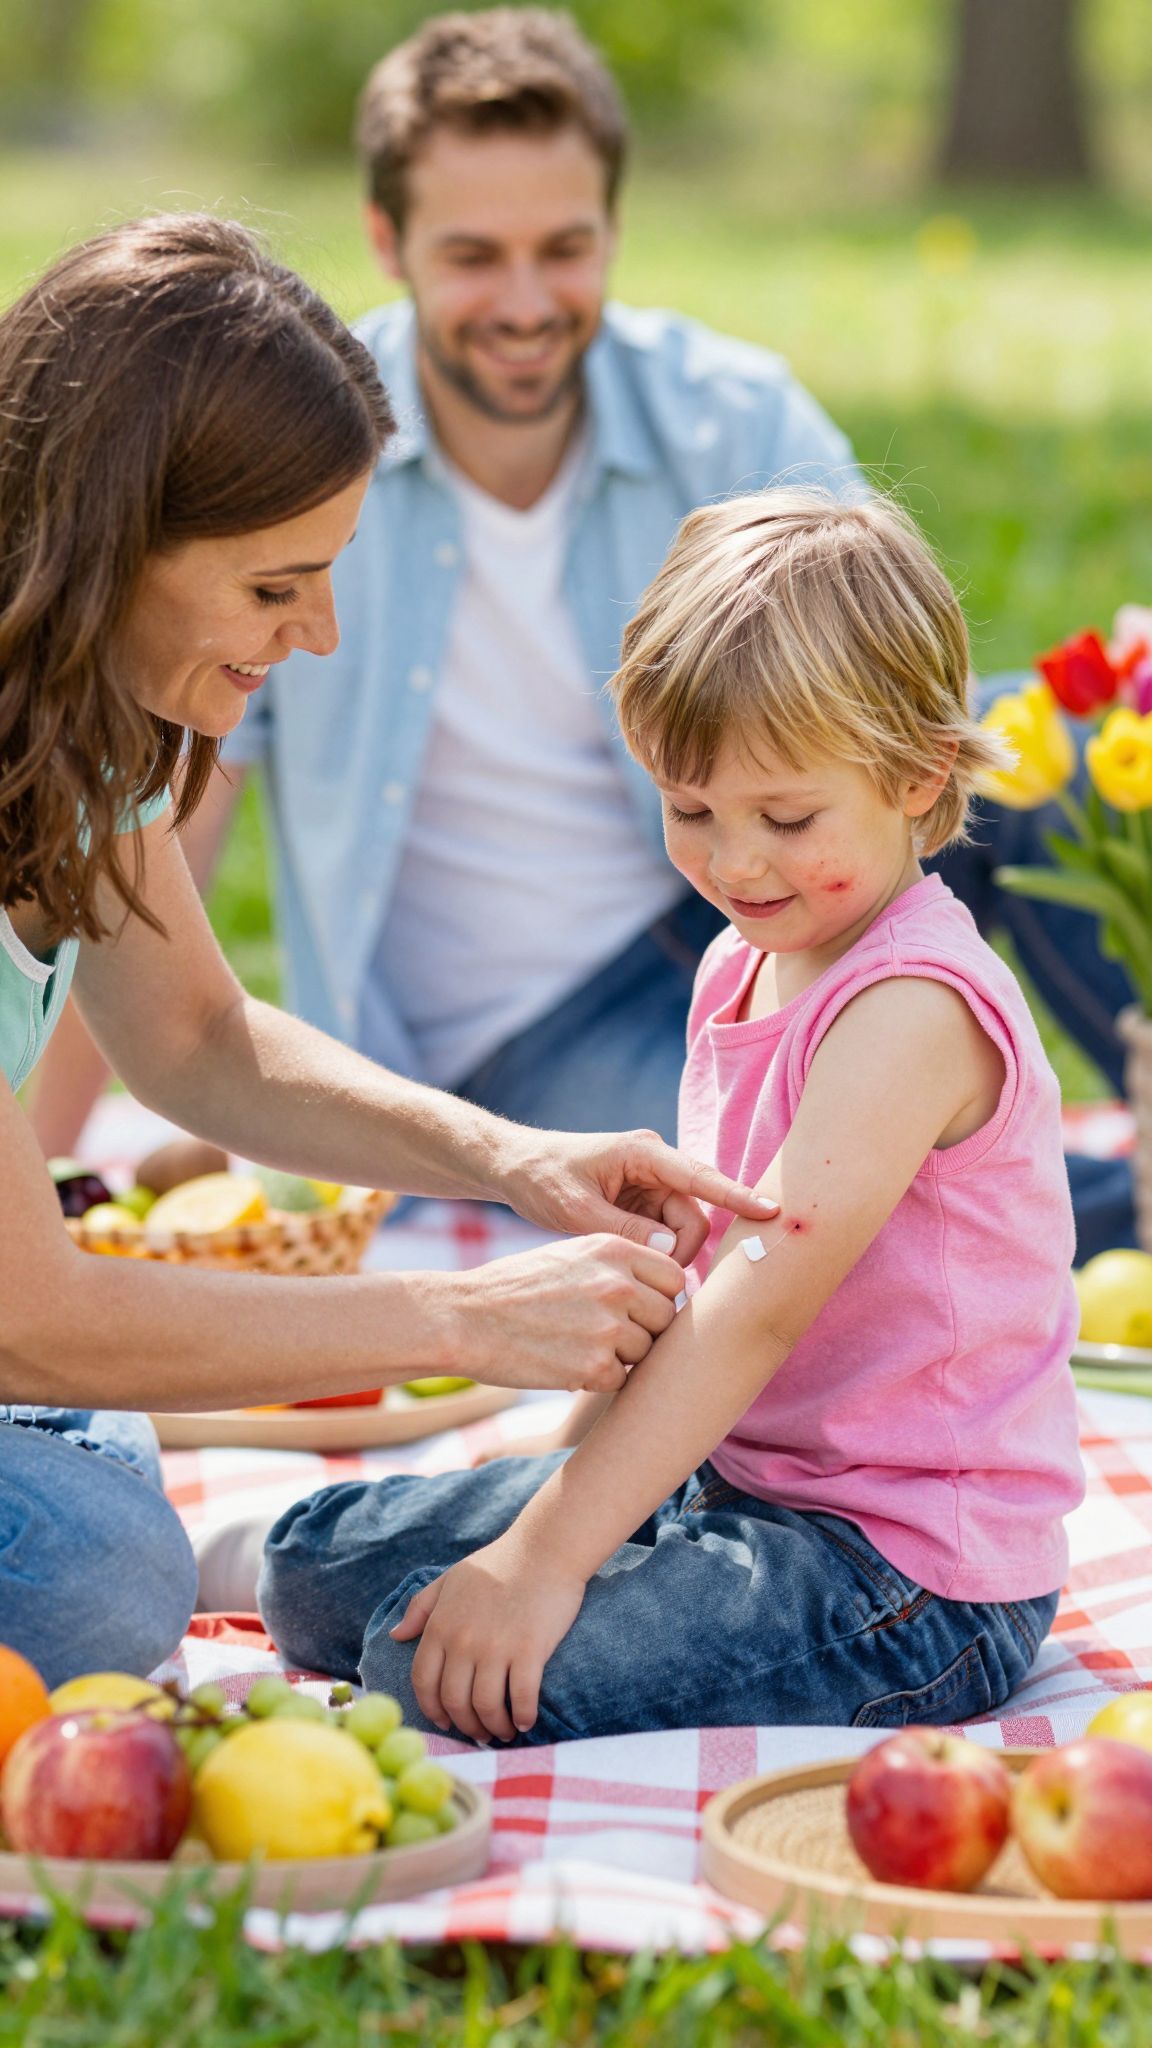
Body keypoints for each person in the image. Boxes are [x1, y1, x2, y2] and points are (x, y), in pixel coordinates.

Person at [28, 8, 1135, 1261]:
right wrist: (51, 1170)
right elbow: (151, 838)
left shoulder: (722, 411)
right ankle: (1091, 1222)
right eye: (474, 255)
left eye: (563, 249)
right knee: (788, 1191)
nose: (524, 300)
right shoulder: (303, 451)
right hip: (531, 1024)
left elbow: (894, 666)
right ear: (389, 240)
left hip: (754, 880)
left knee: (1062, 735)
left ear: (613, 232)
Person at [0, 213, 778, 1691]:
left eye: (332, 570)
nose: (325, 632)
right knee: (100, 1582)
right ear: (113, 540)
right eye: (274, 586)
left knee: (96, 1490)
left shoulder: (80, 735)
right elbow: (27, 1316)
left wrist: (508, 1157)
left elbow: (198, 1042)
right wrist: (467, 1318)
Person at [258, 490, 1083, 1740]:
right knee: (309, 1567)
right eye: (691, 811)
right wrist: (564, 1476)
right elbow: (693, 1267)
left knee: (427, 1664)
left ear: (918, 777)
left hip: (907, 1571)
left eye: (787, 819)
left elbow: (754, 1309)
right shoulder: (742, 959)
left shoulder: (912, 1006)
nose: (737, 864)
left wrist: (542, 1560)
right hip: (734, 1482)